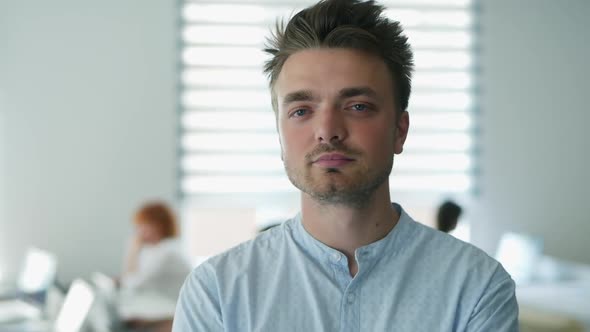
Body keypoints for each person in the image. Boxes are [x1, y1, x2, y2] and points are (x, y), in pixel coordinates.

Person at [173, 0, 518, 331]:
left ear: (400, 130)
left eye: (357, 106)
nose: (327, 131)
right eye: (301, 111)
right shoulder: (216, 292)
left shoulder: (477, 287)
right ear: (280, 137)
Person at [120, 201, 191, 331]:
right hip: (168, 311)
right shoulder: (156, 250)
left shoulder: (167, 252)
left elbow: (133, 285)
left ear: (157, 226)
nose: (138, 231)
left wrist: (133, 250)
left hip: (174, 317)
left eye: (141, 226)